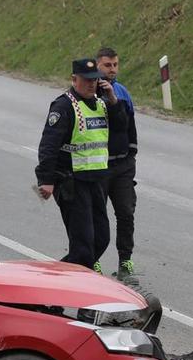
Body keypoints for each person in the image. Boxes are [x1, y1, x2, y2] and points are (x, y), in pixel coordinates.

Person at [36, 58, 122, 270]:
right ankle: (71, 295)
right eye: (86, 80)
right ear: (74, 79)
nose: (91, 84)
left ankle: (53, 278)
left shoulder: (102, 103)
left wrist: (113, 100)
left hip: (96, 181)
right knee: (83, 248)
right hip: (71, 182)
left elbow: (121, 130)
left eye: (95, 80)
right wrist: (46, 180)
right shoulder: (64, 106)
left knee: (101, 239)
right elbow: (48, 145)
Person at [96, 47, 139, 280]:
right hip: (97, 167)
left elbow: (128, 126)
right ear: (97, 66)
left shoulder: (122, 92)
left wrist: (131, 154)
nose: (112, 70)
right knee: (96, 216)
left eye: (115, 65)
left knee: (125, 213)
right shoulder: (87, 92)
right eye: (107, 65)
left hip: (122, 166)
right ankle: (93, 261)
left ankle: (125, 262)